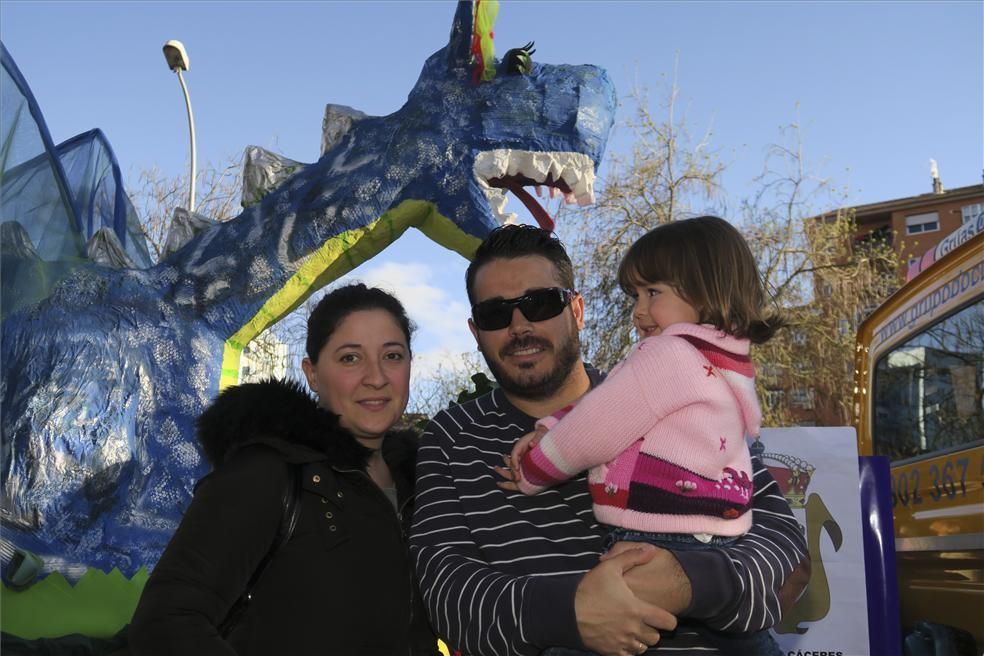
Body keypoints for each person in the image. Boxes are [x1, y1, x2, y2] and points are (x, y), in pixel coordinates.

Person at [409, 225, 809, 656]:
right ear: (475, 331)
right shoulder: (451, 438)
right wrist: (569, 613)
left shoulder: (685, 394)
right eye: (495, 313)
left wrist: (686, 582)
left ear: (576, 310)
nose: (519, 326)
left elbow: (786, 553)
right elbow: (448, 595)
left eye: (540, 303)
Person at [499, 217, 783, 655]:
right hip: (717, 538)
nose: (638, 310)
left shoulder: (668, 354)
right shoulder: (722, 361)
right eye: (636, 295)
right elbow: (613, 401)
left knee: (588, 630)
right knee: (743, 638)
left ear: (707, 291)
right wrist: (549, 426)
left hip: (655, 536)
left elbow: (595, 428)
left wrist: (536, 469)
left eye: (654, 293)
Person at [129, 283, 436, 655]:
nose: (376, 377)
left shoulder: (425, 487)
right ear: (312, 373)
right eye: (350, 358)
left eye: (392, 355)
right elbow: (167, 622)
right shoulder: (269, 472)